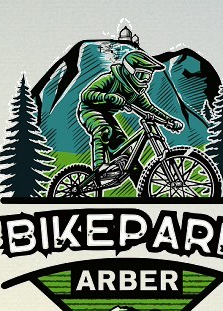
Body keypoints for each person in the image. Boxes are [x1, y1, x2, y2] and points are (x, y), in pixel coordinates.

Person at [73, 29, 178, 191]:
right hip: (89, 110)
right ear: (129, 71)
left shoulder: (135, 92)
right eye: (141, 75)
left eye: (148, 77)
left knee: (130, 158)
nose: (145, 81)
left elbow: (149, 108)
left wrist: (169, 121)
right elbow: (86, 95)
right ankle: (100, 168)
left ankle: (143, 192)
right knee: (103, 129)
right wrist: (110, 97)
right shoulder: (110, 79)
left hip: (107, 114)